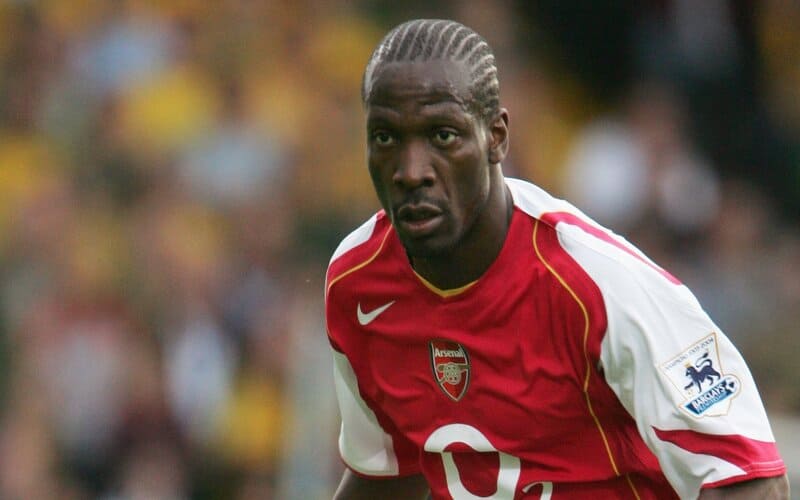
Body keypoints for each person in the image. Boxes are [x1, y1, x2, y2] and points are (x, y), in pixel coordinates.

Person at [324, 19, 789, 500]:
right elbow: (389, 472)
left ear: (496, 137)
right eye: (385, 138)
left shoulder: (599, 283)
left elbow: (753, 482)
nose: (410, 171)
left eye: (443, 136)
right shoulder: (357, 283)